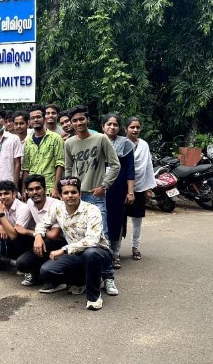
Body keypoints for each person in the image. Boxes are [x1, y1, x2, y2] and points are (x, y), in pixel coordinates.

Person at [35, 177, 113, 311]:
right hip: (75, 254)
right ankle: (80, 281)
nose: (70, 195)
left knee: (91, 253)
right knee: (46, 270)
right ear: (60, 196)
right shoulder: (57, 208)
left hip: (99, 252)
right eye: (66, 193)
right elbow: (43, 223)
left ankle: (94, 297)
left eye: (73, 192)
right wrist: (38, 236)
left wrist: (63, 250)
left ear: (80, 194)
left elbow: (92, 240)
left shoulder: (92, 210)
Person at [64, 105, 120, 244]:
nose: (79, 123)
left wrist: (104, 185)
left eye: (81, 119)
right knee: (79, 233)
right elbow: (68, 169)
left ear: (87, 120)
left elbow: (115, 165)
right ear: (71, 123)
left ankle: (107, 259)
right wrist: (69, 190)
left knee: (101, 234)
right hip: (77, 196)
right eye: (75, 120)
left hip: (96, 195)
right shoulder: (69, 143)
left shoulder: (101, 139)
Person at [14, 174, 63, 286]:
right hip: (44, 239)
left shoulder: (56, 205)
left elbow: (53, 235)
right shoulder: (30, 203)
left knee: (42, 241)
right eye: (31, 190)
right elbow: (18, 227)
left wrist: (32, 233)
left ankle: (56, 277)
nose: (34, 192)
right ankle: (35, 272)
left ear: (45, 189)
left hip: (60, 243)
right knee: (21, 261)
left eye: (38, 188)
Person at [101, 113, 135, 272]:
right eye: (109, 124)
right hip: (99, 186)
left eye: (115, 124)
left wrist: (130, 192)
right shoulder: (96, 141)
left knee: (116, 219)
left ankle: (115, 254)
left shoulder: (126, 144)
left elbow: (130, 170)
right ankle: (102, 252)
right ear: (103, 126)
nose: (112, 127)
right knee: (100, 218)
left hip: (118, 187)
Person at [0, 180, 33, 274]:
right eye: (0, 194)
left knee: (0, 246)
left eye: (6, 193)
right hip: (8, 236)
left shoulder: (23, 208)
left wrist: (1, 214)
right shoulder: (0, 206)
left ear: (14, 194)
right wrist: (0, 226)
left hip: (23, 240)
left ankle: (16, 259)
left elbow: (14, 235)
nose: (3, 197)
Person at [123, 117, 156, 264]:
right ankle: (115, 250)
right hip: (122, 188)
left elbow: (148, 165)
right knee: (119, 220)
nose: (135, 130)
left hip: (140, 187)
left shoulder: (144, 145)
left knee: (137, 220)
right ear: (126, 129)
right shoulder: (121, 143)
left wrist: (148, 188)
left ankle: (135, 247)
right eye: (132, 127)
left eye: (137, 127)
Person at [21, 104, 65, 198]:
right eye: (33, 118)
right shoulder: (28, 141)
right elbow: (26, 167)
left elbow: (60, 164)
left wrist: (56, 188)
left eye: (38, 117)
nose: (35, 120)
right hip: (32, 188)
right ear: (29, 122)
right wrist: (24, 189)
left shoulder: (55, 138)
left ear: (44, 119)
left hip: (49, 188)